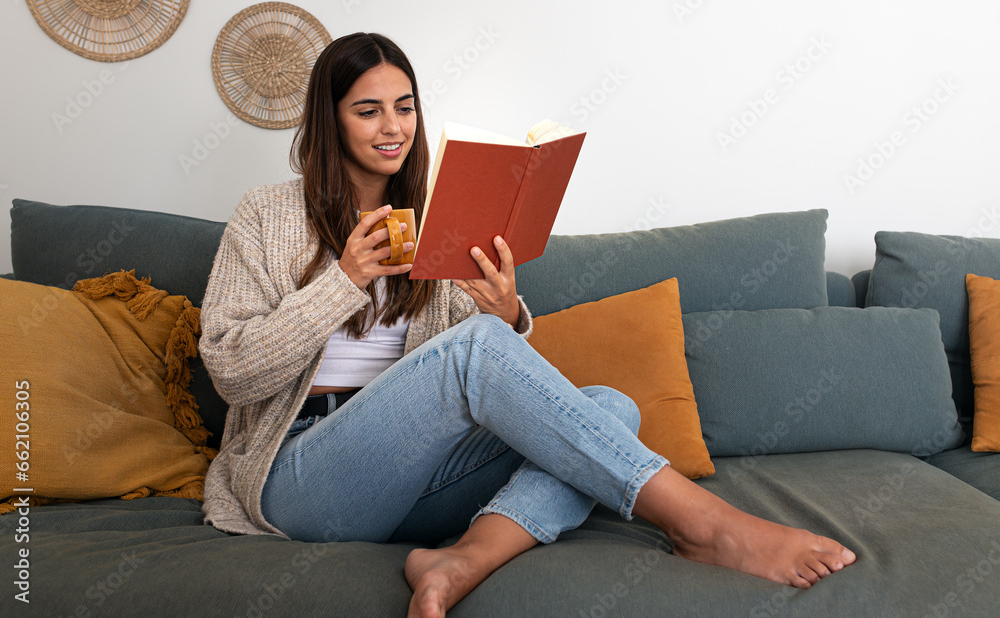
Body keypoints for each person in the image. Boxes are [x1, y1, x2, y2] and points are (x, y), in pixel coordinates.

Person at [199, 31, 856, 618]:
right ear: (331, 119)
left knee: (608, 407)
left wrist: (505, 312)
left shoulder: (438, 212)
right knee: (488, 356)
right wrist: (342, 281)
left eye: (404, 106)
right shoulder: (265, 215)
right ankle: (705, 523)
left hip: (414, 481)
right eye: (367, 110)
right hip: (299, 476)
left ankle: (462, 558)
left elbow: (469, 372)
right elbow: (230, 371)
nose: (392, 126)